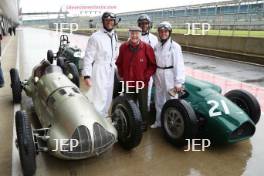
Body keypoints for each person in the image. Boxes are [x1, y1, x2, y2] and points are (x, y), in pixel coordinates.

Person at [116, 26, 157, 131]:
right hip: (128, 82)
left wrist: (145, 77)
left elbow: (152, 65)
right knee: (129, 104)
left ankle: (143, 124)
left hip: (142, 82)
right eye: (132, 33)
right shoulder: (123, 47)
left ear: (140, 35)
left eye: (136, 33)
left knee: (143, 105)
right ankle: (131, 123)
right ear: (129, 34)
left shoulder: (147, 47)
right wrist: (122, 75)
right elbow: (119, 63)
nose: (134, 36)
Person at [82, 12, 119, 117]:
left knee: (108, 95)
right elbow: (88, 57)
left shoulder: (114, 35)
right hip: (100, 69)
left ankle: (105, 116)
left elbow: (115, 52)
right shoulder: (95, 37)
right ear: (103, 22)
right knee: (99, 96)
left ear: (114, 22)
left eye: (111, 20)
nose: (109, 23)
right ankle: (97, 119)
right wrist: (87, 75)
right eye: (107, 20)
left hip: (111, 69)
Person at [151, 21, 185, 128]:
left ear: (169, 32)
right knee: (159, 99)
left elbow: (179, 64)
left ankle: (172, 124)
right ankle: (159, 121)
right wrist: (154, 77)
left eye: (166, 31)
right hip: (159, 74)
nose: (163, 33)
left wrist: (178, 82)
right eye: (161, 31)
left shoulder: (175, 46)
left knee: (172, 99)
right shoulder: (156, 46)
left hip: (170, 75)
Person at [137, 14, 158, 111]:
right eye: (142, 23)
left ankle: (145, 112)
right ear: (139, 25)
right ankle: (136, 113)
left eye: (146, 23)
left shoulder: (154, 38)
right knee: (137, 92)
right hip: (137, 70)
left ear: (149, 25)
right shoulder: (134, 37)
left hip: (149, 70)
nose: (144, 25)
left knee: (148, 92)